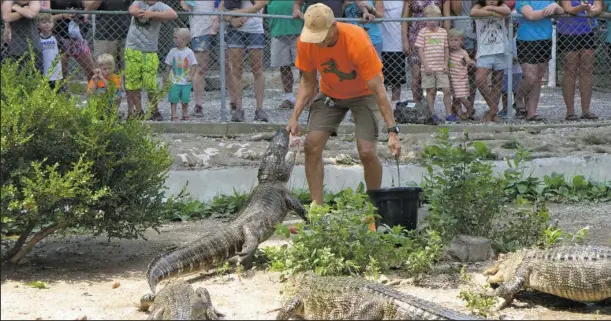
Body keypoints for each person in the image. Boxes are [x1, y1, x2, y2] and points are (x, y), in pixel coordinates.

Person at [285, 3, 401, 206]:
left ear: (333, 26)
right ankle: (317, 211)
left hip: (365, 94)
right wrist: (294, 116)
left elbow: (379, 90)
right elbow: (308, 82)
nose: (316, 41)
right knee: (311, 145)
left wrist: (392, 131)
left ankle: (374, 210)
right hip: (331, 93)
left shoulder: (356, 39)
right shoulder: (306, 41)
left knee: (366, 151)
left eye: (320, 35)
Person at [124, 0, 178, 120]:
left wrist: (153, 14)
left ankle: (154, 110)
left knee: (151, 83)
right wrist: (146, 13)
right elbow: (132, 10)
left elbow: (173, 14)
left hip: (150, 50)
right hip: (132, 49)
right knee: (133, 83)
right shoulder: (138, 2)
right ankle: (139, 111)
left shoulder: (160, 6)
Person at [220, 0, 269, 123]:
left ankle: (260, 109)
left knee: (257, 69)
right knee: (236, 70)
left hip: (255, 31)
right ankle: (238, 108)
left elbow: (257, 7)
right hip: (235, 31)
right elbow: (221, 10)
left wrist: (234, 13)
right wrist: (231, 20)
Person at [515, 0, 564, 122]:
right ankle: (518, 97)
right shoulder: (522, 1)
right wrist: (548, 11)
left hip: (545, 40)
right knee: (530, 78)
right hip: (526, 41)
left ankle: (532, 112)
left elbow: (561, 11)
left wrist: (555, 6)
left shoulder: (548, 1)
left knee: (538, 78)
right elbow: (530, 15)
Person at [557, 0, 603, 121]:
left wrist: (594, 10)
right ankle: (570, 112)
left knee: (587, 70)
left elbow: (598, 7)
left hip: (589, 31)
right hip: (568, 31)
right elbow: (567, 8)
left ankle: (586, 110)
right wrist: (581, 8)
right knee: (570, 69)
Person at [402, 0, 451, 105]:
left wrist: (446, 38)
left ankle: (430, 107)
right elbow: (404, 19)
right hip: (415, 38)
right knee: (416, 74)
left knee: (434, 72)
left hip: (435, 39)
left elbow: (447, 18)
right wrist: (405, 41)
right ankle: (417, 104)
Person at [470, 0, 511, 123]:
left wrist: (488, 11)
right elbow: (473, 12)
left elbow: (507, 11)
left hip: (501, 49)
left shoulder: (501, 6)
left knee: (497, 81)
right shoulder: (478, 6)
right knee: (480, 79)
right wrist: (493, 12)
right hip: (484, 50)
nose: (492, 0)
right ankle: (494, 108)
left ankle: (493, 113)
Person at [415, 5, 454, 123]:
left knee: (446, 89)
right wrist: (425, 65)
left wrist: (446, 64)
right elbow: (420, 50)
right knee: (431, 91)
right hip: (428, 68)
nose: (432, 22)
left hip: (441, 67)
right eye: (429, 19)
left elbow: (446, 49)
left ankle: (449, 114)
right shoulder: (423, 32)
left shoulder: (443, 32)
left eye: (435, 19)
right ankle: (432, 114)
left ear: (439, 19)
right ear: (424, 19)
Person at [181, 0, 218, 117]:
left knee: (230, 66)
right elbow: (185, 5)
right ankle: (198, 106)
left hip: (223, 26)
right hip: (200, 29)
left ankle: (235, 105)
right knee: (200, 68)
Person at [266, 0, 304, 110]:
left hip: (299, 32)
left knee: (304, 68)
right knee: (284, 67)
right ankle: (289, 98)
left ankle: (304, 98)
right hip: (278, 32)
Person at [46, 0, 95, 80]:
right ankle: (63, 91)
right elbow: (45, 17)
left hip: (77, 38)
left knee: (91, 71)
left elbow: (88, 6)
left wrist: (84, 15)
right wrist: (63, 15)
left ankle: (93, 91)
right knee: (61, 74)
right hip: (59, 38)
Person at [83, 0, 132, 70]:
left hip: (127, 34)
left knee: (128, 72)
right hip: (105, 34)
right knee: (104, 71)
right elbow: (89, 7)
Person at [449, 0, 478, 119]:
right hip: (462, 29)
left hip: (473, 33)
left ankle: (469, 108)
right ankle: (457, 109)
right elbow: (457, 9)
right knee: (454, 88)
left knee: (470, 75)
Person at [163, 28, 198, 121]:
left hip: (186, 81)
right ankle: (174, 114)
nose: (173, 39)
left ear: (183, 39)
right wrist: (165, 76)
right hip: (174, 80)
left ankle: (184, 113)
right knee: (173, 98)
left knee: (185, 98)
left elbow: (194, 65)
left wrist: (191, 75)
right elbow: (168, 65)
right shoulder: (172, 51)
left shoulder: (189, 52)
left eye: (175, 37)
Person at [1, 0, 42, 72]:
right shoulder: (9, 1)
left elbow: (32, 14)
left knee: (35, 77)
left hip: (34, 47)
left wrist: (16, 8)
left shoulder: (33, 1)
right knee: (17, 78)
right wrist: (24, 11)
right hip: (16, 49)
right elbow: (6, 17)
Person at [379, 0, 406, 106]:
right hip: (380, 46)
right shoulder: (378, 2)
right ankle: (382, 107)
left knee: (396, 81)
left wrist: (405, 42)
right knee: (380, 81)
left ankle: (395, 107)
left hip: (397, 45)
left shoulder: (403, 3)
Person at [499, 22, 527, 118]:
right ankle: (505, 109)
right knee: (504, 91)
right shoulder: (502, 40)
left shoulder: (519, 40)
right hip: (505, 69)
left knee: (517, 90)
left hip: (517, 69)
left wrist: (516, 58)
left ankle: (518, 107)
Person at [447, 29, 476, 120]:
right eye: (451, 40)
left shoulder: (463, 52)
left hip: (461, 79)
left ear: (461, 41)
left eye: (456, 40)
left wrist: (471, 62)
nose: (453, 43)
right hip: (451, 79)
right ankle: (459, 113)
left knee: (461, 97)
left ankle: (470, 109)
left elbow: (468, 60)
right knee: (455, 98)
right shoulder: (448, 53)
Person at [38, 13, 64, 91]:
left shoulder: (56, 37)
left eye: (49, 22)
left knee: (58, 92)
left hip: (56, 73)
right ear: (38, 25)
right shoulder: (36, 38)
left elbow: (62, 51)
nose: (47, 24)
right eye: (44, 22)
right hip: (42, 71)